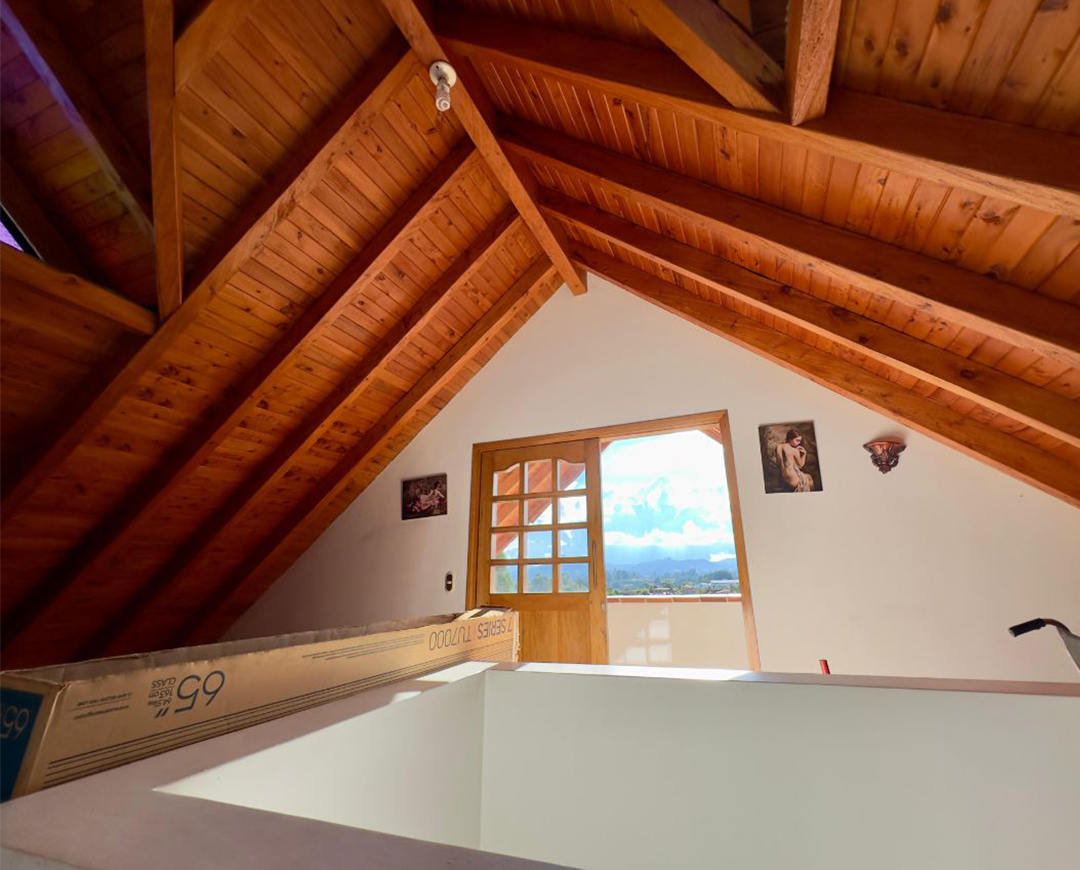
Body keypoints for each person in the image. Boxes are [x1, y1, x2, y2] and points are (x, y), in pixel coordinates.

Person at [776, 428, 814, 492]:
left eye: (800, 441)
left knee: (807, 476)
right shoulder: (794, 450)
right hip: (793, 480)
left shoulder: (779, 446)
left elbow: (780, 461)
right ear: (790, 439)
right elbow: (800, 465)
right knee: (810, 479)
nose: (799, 443)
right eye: (797, 440)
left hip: (783, 478)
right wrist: (804, 454)